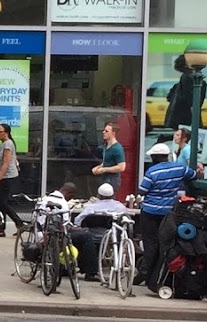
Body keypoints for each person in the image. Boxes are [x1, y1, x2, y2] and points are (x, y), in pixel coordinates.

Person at [136, 142, 192, 287]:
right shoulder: (179, 168)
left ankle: (144, 272)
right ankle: (156, 275)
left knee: (150, 243)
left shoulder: (152, 172)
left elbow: (142, 191)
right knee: (164, 244)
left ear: (155, 157)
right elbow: (193, 175)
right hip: (168, 213)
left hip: (149, 211)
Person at [70, 183, 130, 280]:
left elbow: (77, 221)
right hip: (112, 236)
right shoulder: (120, 207)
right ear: (113, 195)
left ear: (99, 195)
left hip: (92, 236)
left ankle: (81, 267)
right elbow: (125, 218)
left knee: (78, 236)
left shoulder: (91, 207)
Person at [0, 122, 23, 237]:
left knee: (2, 202)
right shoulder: (2, 144)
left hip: (7, 177)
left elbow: (6, 164)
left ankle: (19, 223)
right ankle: (1, 228)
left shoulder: (8, 144)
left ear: (6, 133)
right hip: (2, 176)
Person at [92, 123, 126, 193]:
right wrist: (98, 167)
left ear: (113, 133)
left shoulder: (117, 148)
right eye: (104, 130)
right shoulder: (106, 146)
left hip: (112, 180)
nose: (103, 132)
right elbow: (106, 161)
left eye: (106, 131)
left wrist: (104, 169)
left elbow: (122, 167)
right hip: (105, 178)